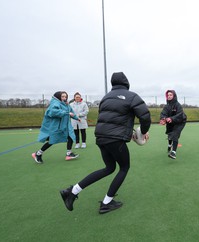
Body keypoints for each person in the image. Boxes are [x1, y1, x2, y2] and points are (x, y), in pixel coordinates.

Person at [60, 72, 151, 214]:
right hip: (115, 139)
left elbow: (112, 118)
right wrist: (143, 132)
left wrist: (130, 132)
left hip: (101, 137)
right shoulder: (132, 96)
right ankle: (106, 202)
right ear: (126, 82)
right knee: (124, 167)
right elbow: (145, 116)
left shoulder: (106, 97)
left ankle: (72, 190)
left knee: (109, 168)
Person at [32, 91, 80, 163]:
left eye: (65, 96)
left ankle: (69, 154)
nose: (64, 98)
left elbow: (71, 112)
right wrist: (66, 113)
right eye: (62, 96)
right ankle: (37, 154)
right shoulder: (55, 103)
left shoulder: (65, 104)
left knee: (70, 137)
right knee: (52, 141)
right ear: (58, 97)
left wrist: (76, 118)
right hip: (56, 126)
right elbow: (53, 112)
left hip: (65, 125)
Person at [160, 90, 187, 159]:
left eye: (171, 95)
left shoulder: (178, 105)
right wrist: (163, 119)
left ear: (174, 96)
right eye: (168, 95)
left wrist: (171, 118)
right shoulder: (166, 106)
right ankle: (169, 145)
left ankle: (173, 152)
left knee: (175, 134)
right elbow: (163, 113)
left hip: (180, 122)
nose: (169, 96)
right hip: (170, 121)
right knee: (169, 133)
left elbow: (180, 114)